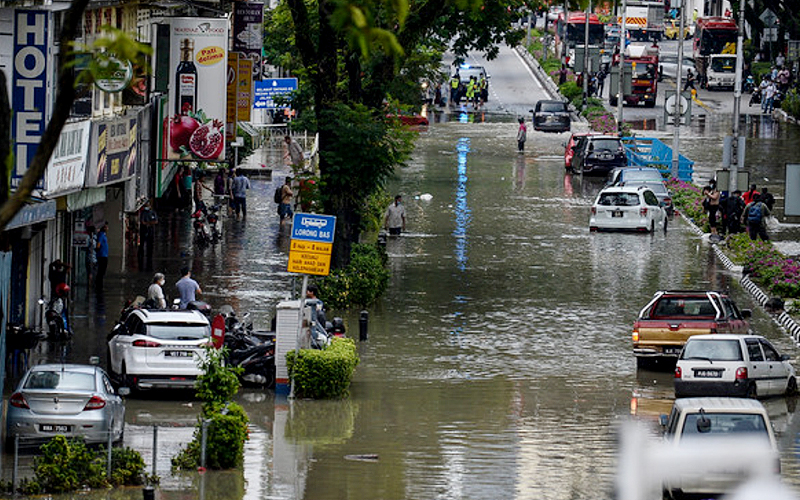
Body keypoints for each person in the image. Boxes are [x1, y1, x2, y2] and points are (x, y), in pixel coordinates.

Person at [138, 200, 158, 271]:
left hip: (150, 230)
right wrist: (149, 223)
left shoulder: (152, 212)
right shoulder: (143, 213)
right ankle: (141, 255)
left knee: (150, 244)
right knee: (142, 243)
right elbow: (142, 222)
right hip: (144, 230)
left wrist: (148, 223)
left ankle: (149, 256)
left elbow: (155, 221)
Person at [95, 222, 109, 290]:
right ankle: (99, 285)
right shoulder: (101, 234)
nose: (107, 228)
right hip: (102, 255)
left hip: (104, 255)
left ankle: (100, 285)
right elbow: (98, 244)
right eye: (106, 227)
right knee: (101, 271)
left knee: (102, 271)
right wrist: (98, 250)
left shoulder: (103, 234)